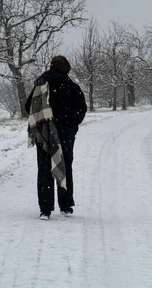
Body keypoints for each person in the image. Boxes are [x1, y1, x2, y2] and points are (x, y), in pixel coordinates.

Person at [25, 56, 87, 220]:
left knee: (44, 170)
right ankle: (65, 206)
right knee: (64, 167)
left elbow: (28, 106)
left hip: (44, 134)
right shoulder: (71, 86)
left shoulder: (41, 83)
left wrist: (42, 121)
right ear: (66, 68)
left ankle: (45, 209)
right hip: (65, 134)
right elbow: (82, 108)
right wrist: (72, 126)